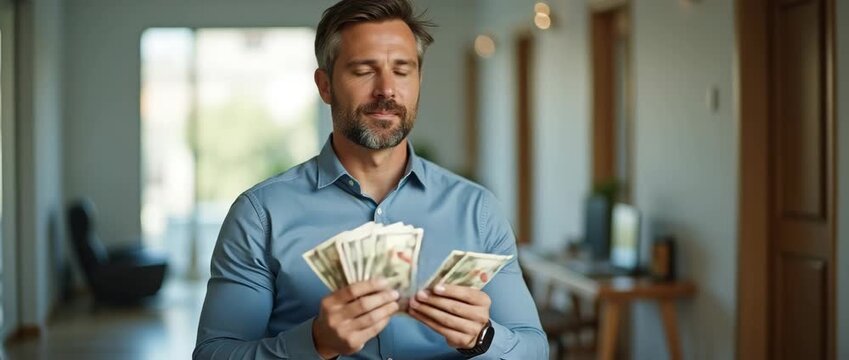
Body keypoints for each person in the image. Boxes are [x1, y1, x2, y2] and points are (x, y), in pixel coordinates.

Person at [193, 0, 548, 358]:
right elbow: (214, 354)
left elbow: (534, 349)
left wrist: (482, 339)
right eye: (364, 70)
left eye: (402, 70)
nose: (387, 90)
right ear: (325, 85)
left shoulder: (478, 211)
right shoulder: (259, 215)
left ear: (419, 80)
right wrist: (315, 343)